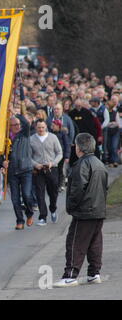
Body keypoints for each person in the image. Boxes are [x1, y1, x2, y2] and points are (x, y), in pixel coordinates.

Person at [53, 133, 108, 287]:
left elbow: (77, 189)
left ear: (79, 147)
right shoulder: (99, 163)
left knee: (75, 242)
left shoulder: (82, 164)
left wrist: (71, 207)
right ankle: (94, 273)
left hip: (85, 211)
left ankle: (70, 275)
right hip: (98, 209)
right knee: (94, 243)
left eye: (76, 145)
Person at [4, 107, 35, 230]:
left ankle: (29, 213)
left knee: (27, 195)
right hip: (12, 172)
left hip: (26, 170)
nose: (17, 126)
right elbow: (1, 154)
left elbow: (26, 123)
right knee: (15, 199)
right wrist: (3, 162)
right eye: (14, 125)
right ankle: (20, 220)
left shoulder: (25, 134)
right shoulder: (6, 139)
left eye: (18, 124)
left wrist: (15, 112)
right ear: (9, 126)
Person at [30, 119, 63, 226]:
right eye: (39, 127)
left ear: (46, 127)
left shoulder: (53, 137)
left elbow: (59, 153)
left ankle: (53, 209)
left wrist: (52, 163)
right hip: (38, 170)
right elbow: (28, 156)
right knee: (39, 193)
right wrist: (35, 164)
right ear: (36, 128)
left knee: (53, 192)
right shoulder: (31, 139)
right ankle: (42, 217)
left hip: (51, 169)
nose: (41, 129)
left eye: (43, 127)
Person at [105, 95, 121, 167]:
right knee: (109, 146)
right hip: (107, 131)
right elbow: (104, 122)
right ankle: (110, 161)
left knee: (114, 146)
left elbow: (119, 124)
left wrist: (114, 123)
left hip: (115, 131)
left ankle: (115, 161)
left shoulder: (115, 113)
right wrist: (110, 123)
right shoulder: (105, 112)